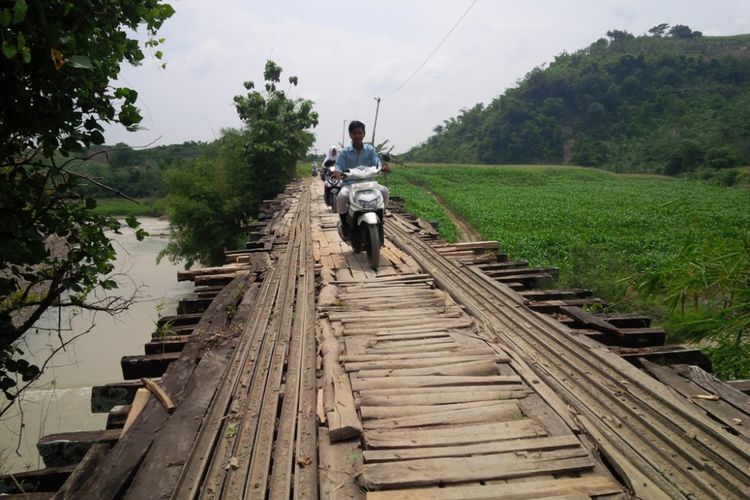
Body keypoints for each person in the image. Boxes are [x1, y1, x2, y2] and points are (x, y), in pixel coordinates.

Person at [333, 120, 390, 235]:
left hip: (369, 182)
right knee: (341, 197)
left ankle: (382, 215)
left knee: (384, 191)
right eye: (354, 133)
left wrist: (382, 167)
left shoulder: (370, 150)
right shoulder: (344, 152)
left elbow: (377, 162)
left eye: (359, 133)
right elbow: (339, 165)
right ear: (350, 135)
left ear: (364, 134)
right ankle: (344, 223)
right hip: (350, 184)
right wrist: (338, 172)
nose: (357, 136)